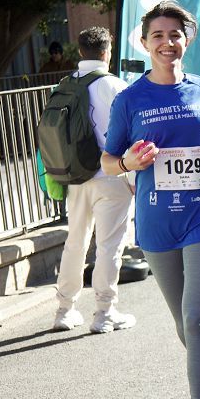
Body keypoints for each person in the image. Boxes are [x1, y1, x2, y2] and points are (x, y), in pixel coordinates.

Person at [101, 0, 200, 399]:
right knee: (185, 326)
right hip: (159, 221)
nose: (166, 42)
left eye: (174, 34)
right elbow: (108, 158)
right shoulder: (129, 99)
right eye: (157, 35)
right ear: (144, 43)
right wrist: (128, 163)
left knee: (196, 320)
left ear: (187, 40)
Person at [52, 27, 134, 334]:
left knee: (75, 241)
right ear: (107, 52)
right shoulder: (115, 86)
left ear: (80, 51)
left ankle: (64, 310)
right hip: (111, 174)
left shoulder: (63, 85)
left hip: (75, 177)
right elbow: (129, 132)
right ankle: (104, 313)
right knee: (109, 245)